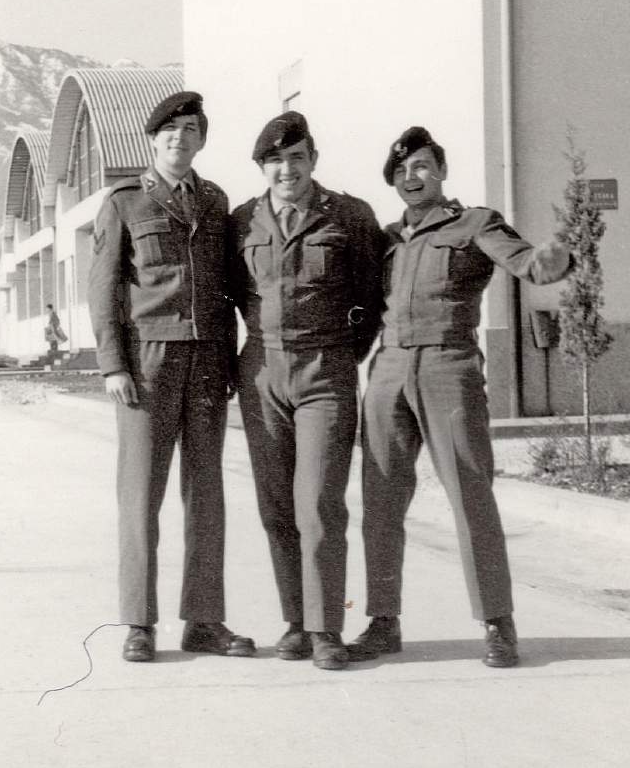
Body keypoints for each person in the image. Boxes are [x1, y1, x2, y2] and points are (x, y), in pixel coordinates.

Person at [351, 126, 572, 668]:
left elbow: (522, 261)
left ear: (442, 170)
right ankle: (382, 621)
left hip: (448, 366)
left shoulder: (475, 222)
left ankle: (497, 623)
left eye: (423, 165)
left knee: (471, 495)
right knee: (379, 500)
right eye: (402, 171)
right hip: (388, 369)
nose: (412, 176)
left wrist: (549, 262)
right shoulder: (385, 239)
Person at [89, 90, 254, 663]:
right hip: (147, 363)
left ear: (202, 139)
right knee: (141, 497)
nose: (179, 139)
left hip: (207, 362)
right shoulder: (124, 203)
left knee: (206, 495)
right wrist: (113, 364)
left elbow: (230, 289)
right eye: (168, 131)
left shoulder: (215, 201)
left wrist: (232, 360)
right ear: (152, 140)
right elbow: (104, 289)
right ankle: (139, 622)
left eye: (190, 129)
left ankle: (204, 620)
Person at [232, 112, 386, 670]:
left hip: (326, 369)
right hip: (262, 369)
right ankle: (295, 622)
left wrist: (343, 352)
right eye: (275, 160)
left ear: (313, 161)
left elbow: (370, 297)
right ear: (262, 167)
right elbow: (231, 293)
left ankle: (326, 628)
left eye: (297, 157)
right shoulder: (241, 222)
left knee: (319, 502)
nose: (286, 169)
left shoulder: (349, 215)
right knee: (276, 504)